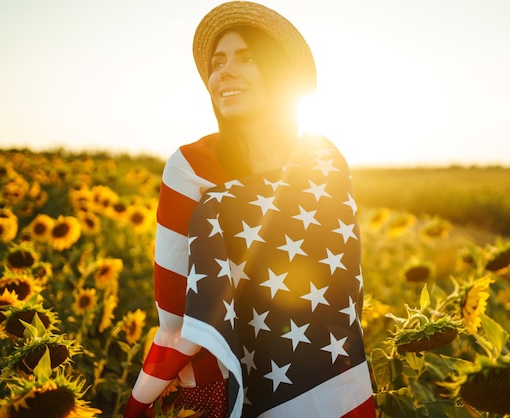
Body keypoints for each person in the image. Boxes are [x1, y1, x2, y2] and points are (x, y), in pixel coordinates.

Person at [123, 2, 375, 417]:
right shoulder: (189, 168)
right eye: (217, 63)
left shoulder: (323, 160)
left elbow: (343, 283)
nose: (224, 72)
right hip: (218, 375)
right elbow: (174, 311)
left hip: (322, 367)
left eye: (247, 58)